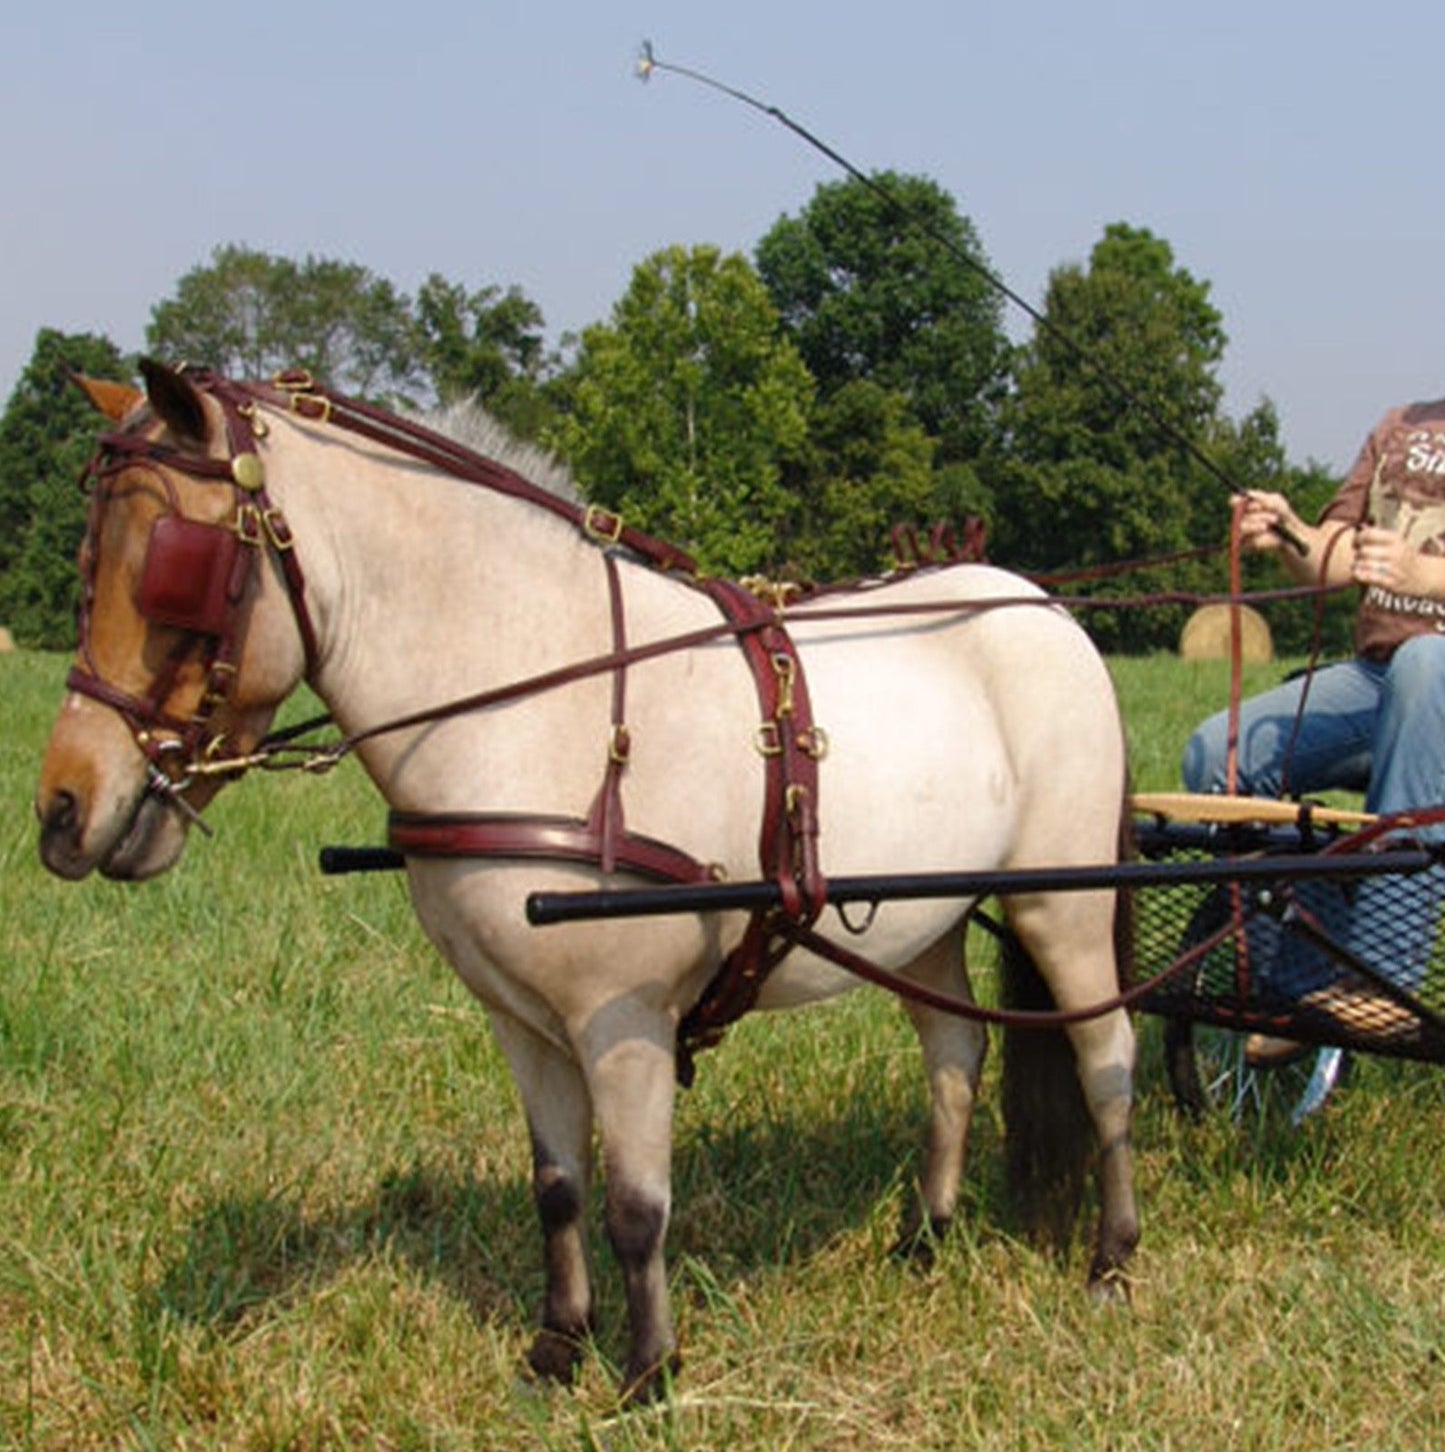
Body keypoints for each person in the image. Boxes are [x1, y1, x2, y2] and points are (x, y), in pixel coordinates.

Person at [1182, 396, 1445, 1064]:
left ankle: (1379, 980)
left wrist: (1425, 575)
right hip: (1378, 677)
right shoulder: (1399, 424)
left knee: (1424, 664)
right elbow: (1333, 558)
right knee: (1219, 754)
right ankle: (1303, 990)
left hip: (1429, 678)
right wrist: (1290, 531)